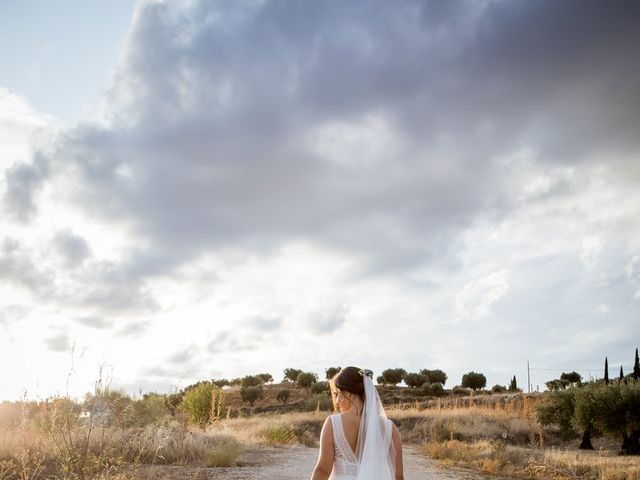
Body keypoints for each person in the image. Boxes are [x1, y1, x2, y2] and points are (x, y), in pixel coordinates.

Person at [310, 366, 404, 480]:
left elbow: (323, 470)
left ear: (348, 393)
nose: (338, 401)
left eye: (338, 394)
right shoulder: (390, 428)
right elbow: (398, 476)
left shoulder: (333, 424)